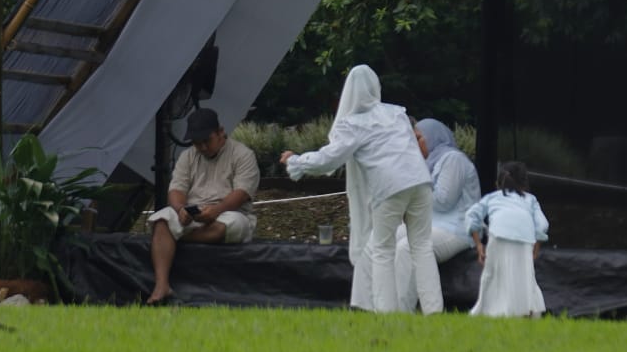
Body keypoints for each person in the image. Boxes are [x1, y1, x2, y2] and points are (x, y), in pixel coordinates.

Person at [280, 65, 442, 314]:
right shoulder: (397, 113)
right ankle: (434, 311)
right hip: (420, 181)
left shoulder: (352, 125)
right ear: (376, 87)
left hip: (390, 187)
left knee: (383, 250)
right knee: (422, 247)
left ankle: (387, 314)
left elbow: (329, 159)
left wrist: (296, 161)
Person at [145, 107, 260, 305]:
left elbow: (241, 194)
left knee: (224, 226)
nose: (203, 147)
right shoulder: (187, 156)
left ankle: (171, 239)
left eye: (207, 140)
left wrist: (216, 211)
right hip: (193, 215)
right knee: (162, 219)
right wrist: (180, 209)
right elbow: (176, 190)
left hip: (231, 214)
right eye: (197, 143)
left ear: (220, 132)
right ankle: (161, 285)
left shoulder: (243, 155)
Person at [394, 118, 481, 312]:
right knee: (385, 238)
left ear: (433, 136)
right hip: (432, 225)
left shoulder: (454, 159)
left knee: (407, 247)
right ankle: (381, 304)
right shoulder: (429, 162)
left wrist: (415, 186)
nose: (415, 144)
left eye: (418, 138)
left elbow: (443, 201)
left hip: (457, 229)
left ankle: (401, 311)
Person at [464, 161, 548, 318]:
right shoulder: (531, 200)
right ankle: (525, 312)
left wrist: (479, 245)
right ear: (524, 184)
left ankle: (490, 310)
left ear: (498, 183)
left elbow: (471, 216)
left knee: (493, 276)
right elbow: (542, 225)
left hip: (498, 237)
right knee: (525, 278)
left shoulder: (492, 197)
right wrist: (536, 249)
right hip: (524, 240)